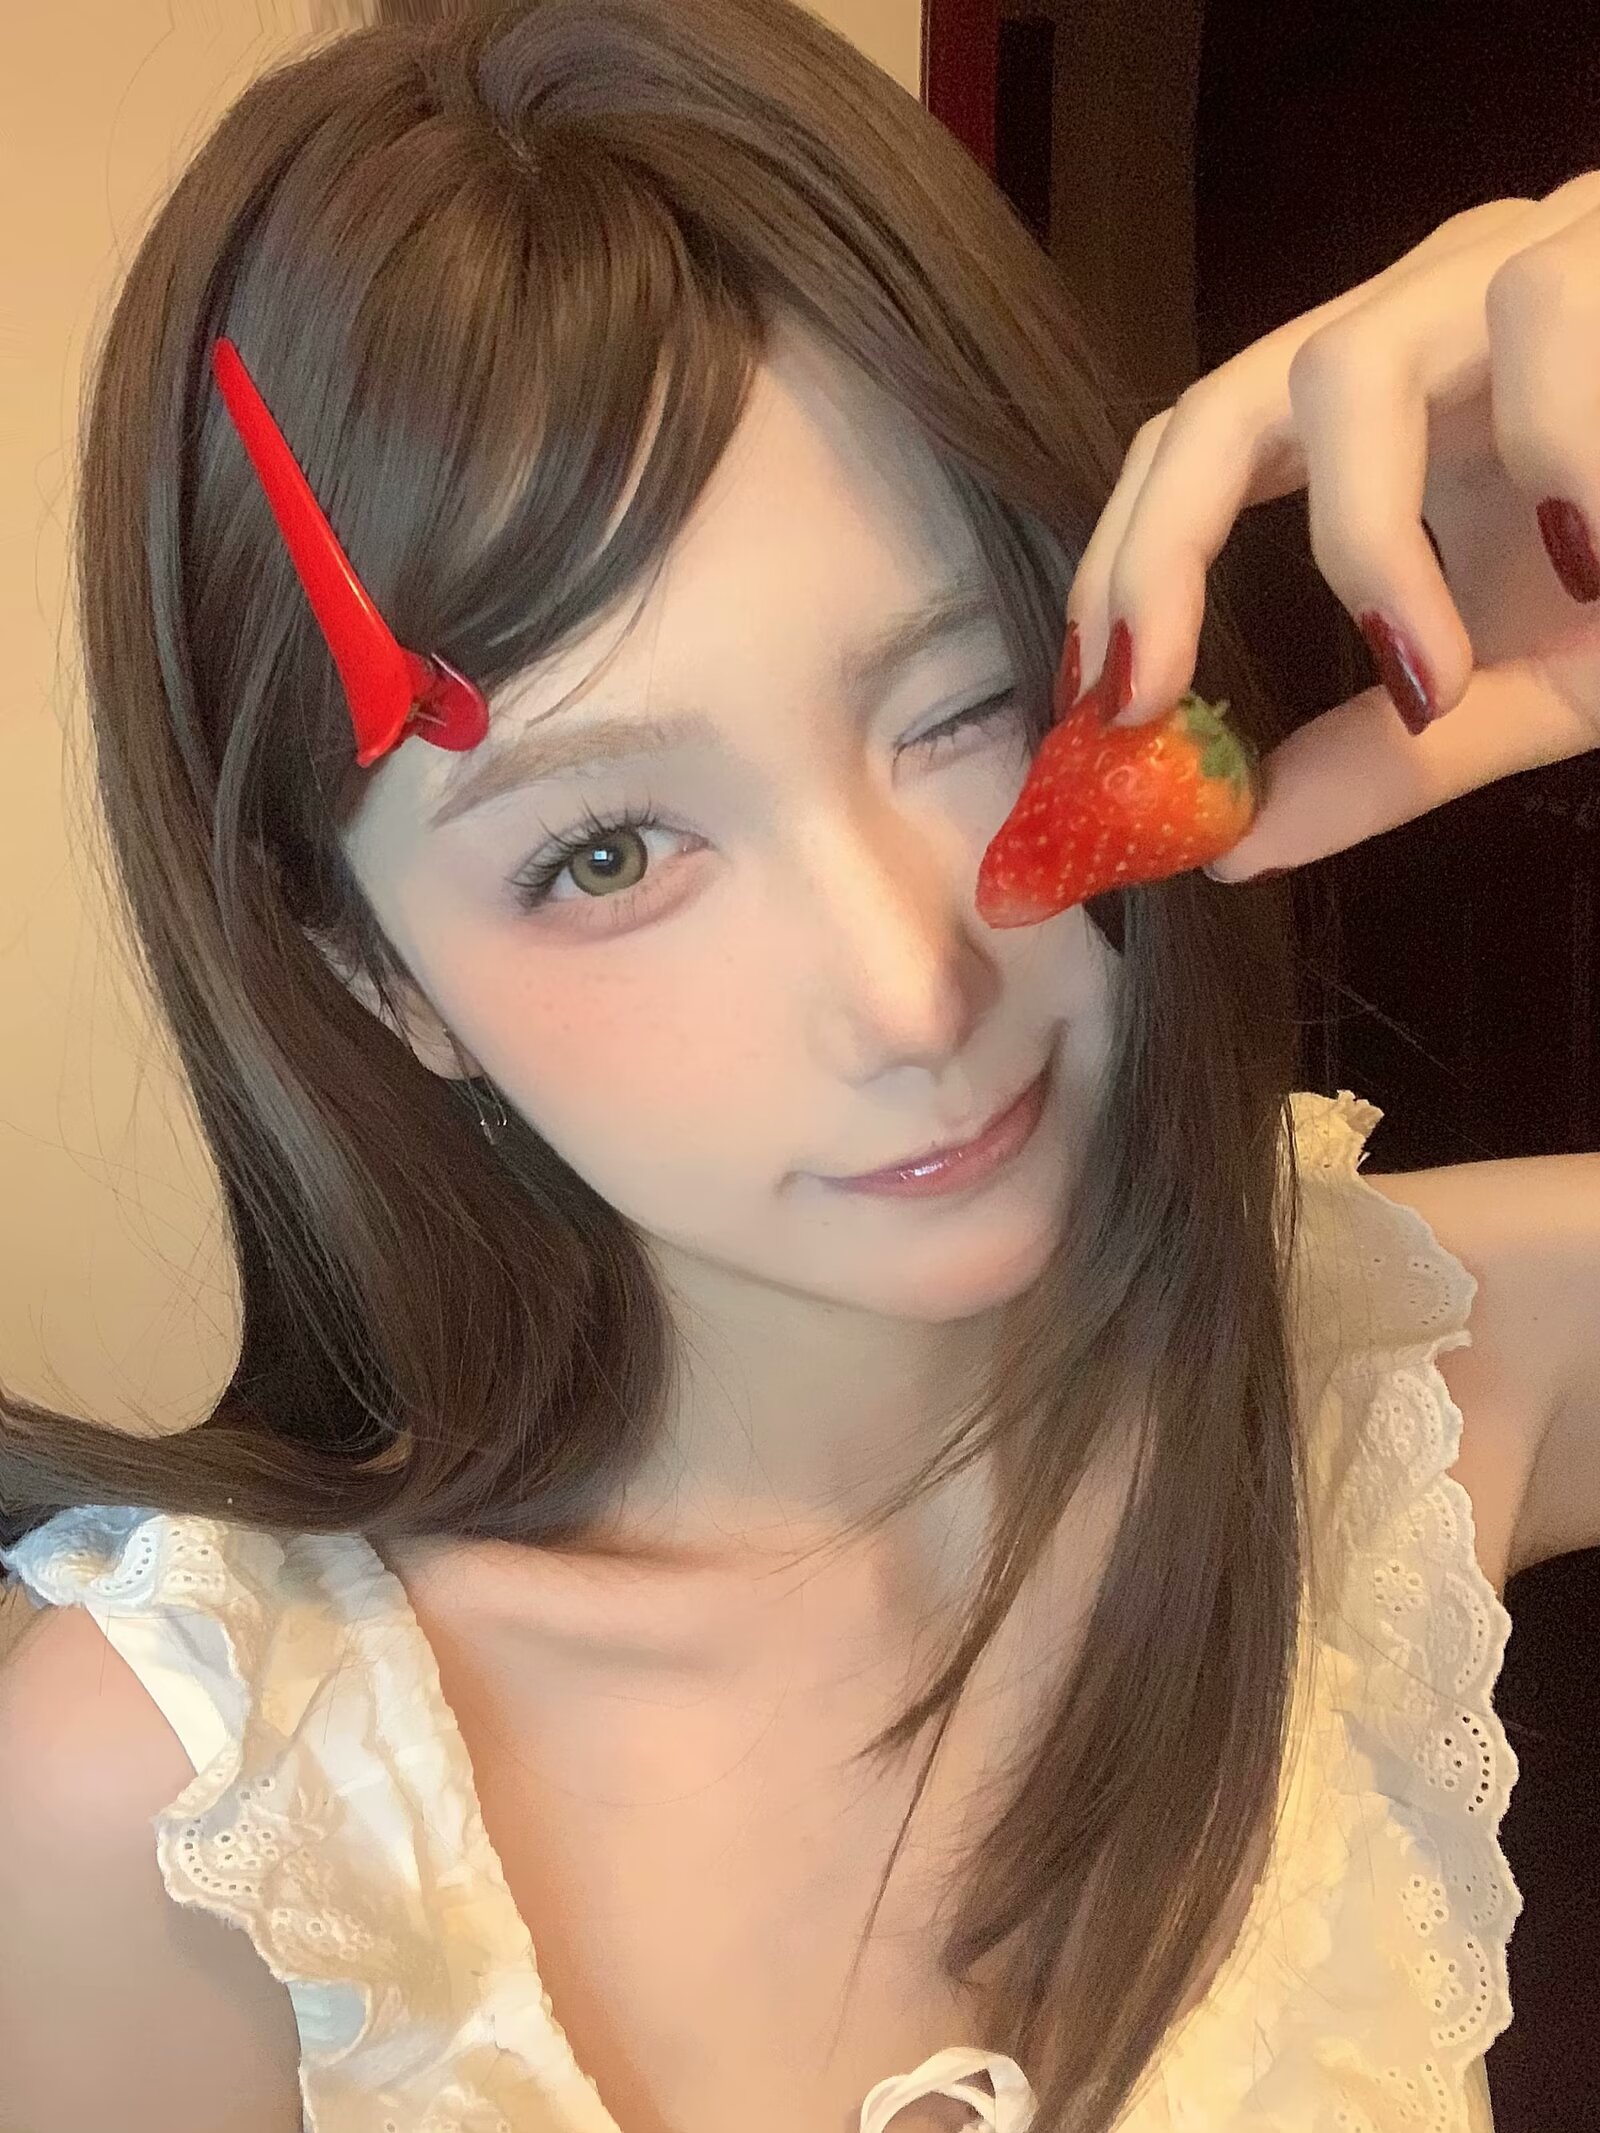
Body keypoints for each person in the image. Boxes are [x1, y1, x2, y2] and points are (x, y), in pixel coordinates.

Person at [0, 1, 1595, 2127]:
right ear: (374, 975)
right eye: (603, 849)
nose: (909, 992)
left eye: (965, 701)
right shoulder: (191, 1808)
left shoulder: (1410, 1371)